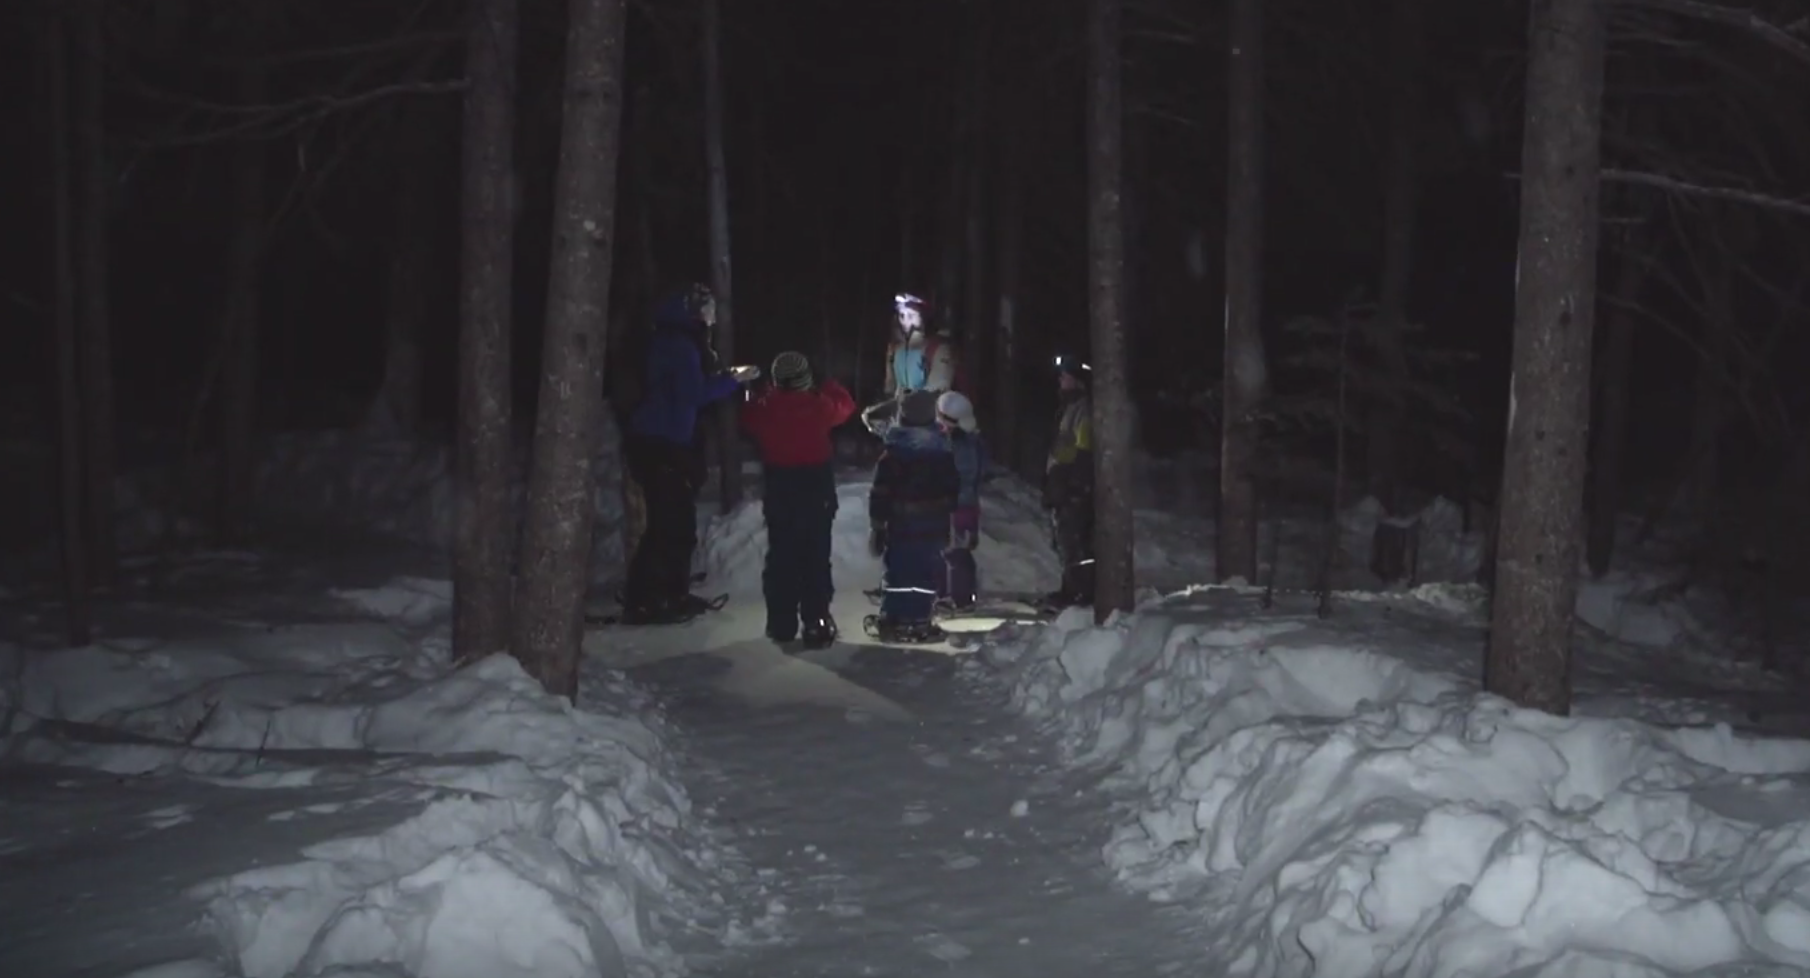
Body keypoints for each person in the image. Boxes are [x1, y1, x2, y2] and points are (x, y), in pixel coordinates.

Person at [621, 283, 760, 624]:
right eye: (708, 310)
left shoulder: (673, 340)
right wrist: (732, 379)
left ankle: (664, 593)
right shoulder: (679, 345)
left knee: (670, 521)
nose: (712, 317)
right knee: (672, 523)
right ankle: (653, 598)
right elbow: (691, 393)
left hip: (659, 442)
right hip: (661, 444)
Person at [740, 351, 856, 649]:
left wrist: (763, 392)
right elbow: (846, 406)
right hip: (815, 487)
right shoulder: (819, 406)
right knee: (815, 557)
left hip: (780, 487)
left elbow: (750, 414)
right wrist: (830, 384)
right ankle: (816, 621)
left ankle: (781, 623)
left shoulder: (766, 409)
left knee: (781, 557)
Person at [866, 389, 959, 643]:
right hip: (932, 525)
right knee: (925, 571)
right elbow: (953, 489)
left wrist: (878, 524)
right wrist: (947, 517)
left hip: (901, 524)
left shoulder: (894, 451)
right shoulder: (942, 451)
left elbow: (881, 491)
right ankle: (918, 618)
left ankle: (894, 616)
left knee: (898, 569)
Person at [860, 292, 966, 436]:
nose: (905, 322)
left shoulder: (939, 348)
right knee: (870, 416)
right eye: (901, 316)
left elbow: (936, 392)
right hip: (902, 420)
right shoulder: (895, 348)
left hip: (932, 423)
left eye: (911, 316)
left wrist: (901, 408)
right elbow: (891, 388)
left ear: (923, 317)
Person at [1043, 354, 1094, 609]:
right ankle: (1071, 588)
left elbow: (1084, 449)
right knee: (1066, 540)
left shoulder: (1083, 409)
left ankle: (1081, 592)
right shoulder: (1068, 407)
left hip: (1073, 481)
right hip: (1063, 480)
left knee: (1076, 541)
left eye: (1065, 377)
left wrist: (1076, 484)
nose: (1060, 381)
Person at [934, 390, 987, 610]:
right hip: (959, 504)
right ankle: (947, 592)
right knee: (948, 549)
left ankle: (960, 596)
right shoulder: (965, 441)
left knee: (957, 551)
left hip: (959, 505)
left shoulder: (963, 445)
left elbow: (964, 475)